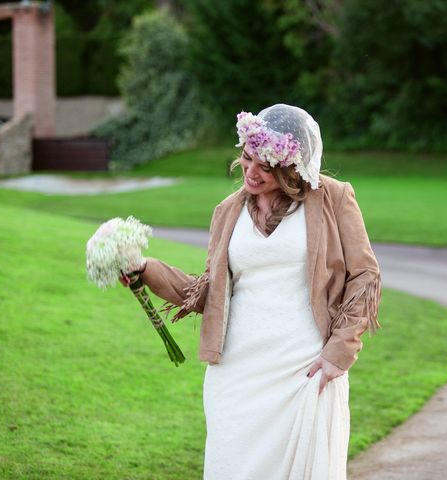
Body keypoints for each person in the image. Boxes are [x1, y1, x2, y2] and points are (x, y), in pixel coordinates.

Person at [122, 104, 382, 479]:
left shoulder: (333, 198)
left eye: (265, 167)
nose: (252, 172)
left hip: (303, 367)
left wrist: (338, 354)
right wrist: (147, 269)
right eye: (247, 159)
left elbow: (365, 277)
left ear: (290, 168)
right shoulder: (227, 212)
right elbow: (207, 293)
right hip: (237, 370)